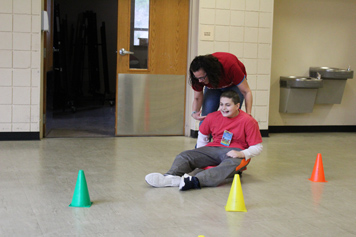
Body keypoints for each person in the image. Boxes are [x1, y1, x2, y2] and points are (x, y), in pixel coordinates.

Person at [145, 91, 262, 191]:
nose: (223, 108)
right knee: (185, 155)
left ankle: (195, 181)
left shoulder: (248, 121)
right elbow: (203, 136)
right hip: (213, 148)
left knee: (230, 164)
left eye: (228, 105)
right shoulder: (212, 117)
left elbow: (257, 147)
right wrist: (200, 155)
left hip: (236, 152)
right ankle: (170, 177)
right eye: (221, 104)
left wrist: (242, 154)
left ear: (237, 106)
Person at [189, 52, 253, 123]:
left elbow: (246, 92)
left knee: (230, 114)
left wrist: (248, 114)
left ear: (210, 72)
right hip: (213, 87)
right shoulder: (198, 78)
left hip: (233, 84)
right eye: (197, 78)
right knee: (207, 116)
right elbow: (197, 98)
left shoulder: (230, 66)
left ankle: (228, 133)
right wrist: (194, 113)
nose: (200, 81)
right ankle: (204, 134)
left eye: (202, 78)